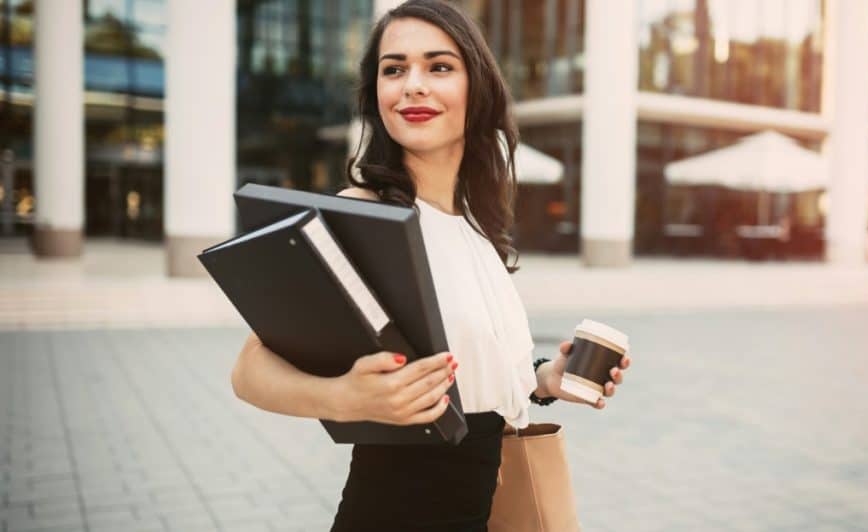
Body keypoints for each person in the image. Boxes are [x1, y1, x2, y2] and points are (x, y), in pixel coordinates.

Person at [229, 1, 631, 530]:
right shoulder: (366, 212)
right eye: (394, 69)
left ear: (477, 88)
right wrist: (343, 396)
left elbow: (469, 372)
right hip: (402, 509)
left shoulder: (474, 221)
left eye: (439, 67)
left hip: (490, 501)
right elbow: (248, 370)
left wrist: (545, 379)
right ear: (377, 94)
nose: (413, 85)